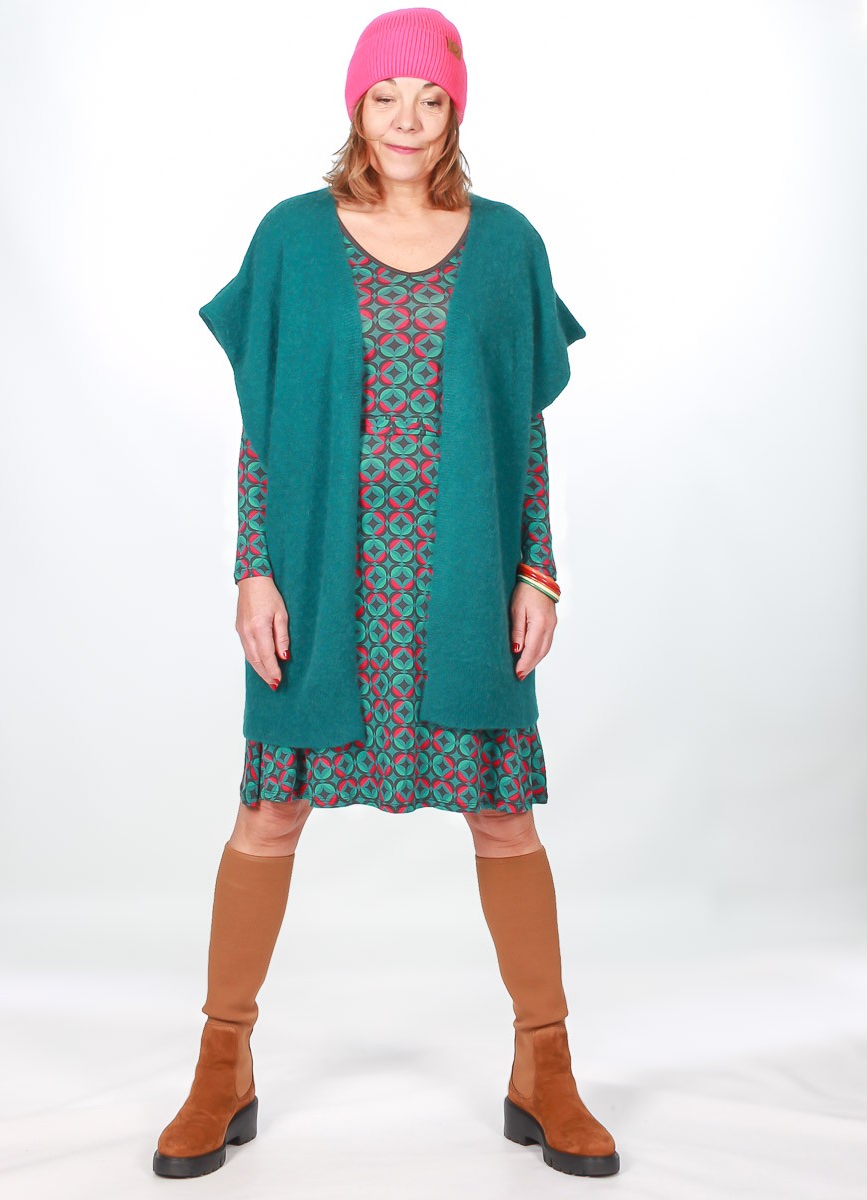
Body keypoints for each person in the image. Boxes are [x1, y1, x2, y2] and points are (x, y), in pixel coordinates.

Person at [152, 5, 619, 1181]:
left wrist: (537, 567)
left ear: (456, 112)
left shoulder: (506, 245)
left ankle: (546, 1064)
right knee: (270, 811)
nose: (408, 119)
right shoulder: (293, 240)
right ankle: (221, 1062)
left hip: (461, 573)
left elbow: (522, 430)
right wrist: (253, 566)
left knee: (504, 815)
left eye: (431, 98)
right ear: (356, 107)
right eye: (385, 96)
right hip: (322, 575)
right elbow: (262, 427)